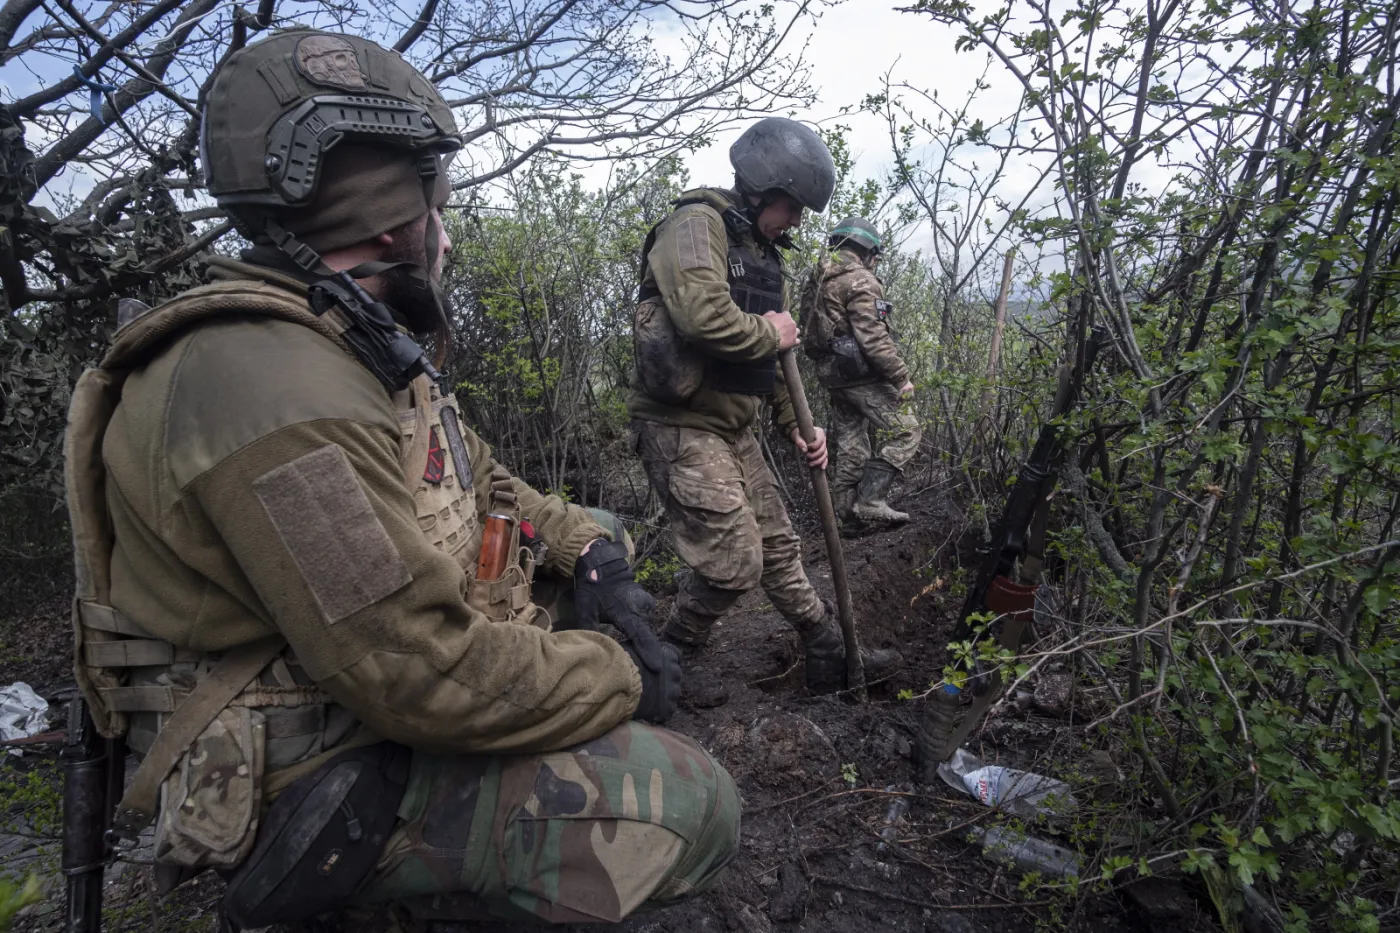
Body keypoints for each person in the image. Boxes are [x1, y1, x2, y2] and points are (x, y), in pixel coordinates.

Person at [63, 30, 737, 930]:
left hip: (355, 689)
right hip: (311, 776)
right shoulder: (278, 391)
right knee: (694, 801)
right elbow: (416, 672)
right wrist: (617, 673)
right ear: (393, 219)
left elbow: (479, 476)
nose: (446, 231)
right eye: (437, 205)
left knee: (599, 529)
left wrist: (587, 549)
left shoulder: (341, 338)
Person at [627, 118, 899, 694]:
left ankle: (827, 647)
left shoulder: (761, 251)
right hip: (680, 425)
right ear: (761, 187)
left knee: (778, 545)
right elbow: (703, 316)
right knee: (734, 560)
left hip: (733, 427)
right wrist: (770, 333)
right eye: (792, 206)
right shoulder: (695, 226)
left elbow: (773, 359)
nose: (797, 220)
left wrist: (797, 426)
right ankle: (668, 659)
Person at [799, 217, 921, 528]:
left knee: (853, 443)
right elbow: (873, 336)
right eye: (875, 256)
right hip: (860, 376)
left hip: (832, 376)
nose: (875, 262)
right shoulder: (861, 280)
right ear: (866, 251)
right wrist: (900, 377)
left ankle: (848, 517)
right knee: (907, 431)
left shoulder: (817, 279)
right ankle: (871, 500)